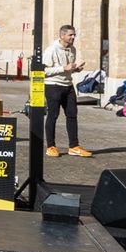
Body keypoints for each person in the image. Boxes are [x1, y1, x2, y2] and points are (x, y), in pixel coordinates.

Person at [41, 24, 89, 157]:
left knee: (72, 114)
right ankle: (51, 146)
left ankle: (74, 146)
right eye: (70, 35)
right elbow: (43, 71)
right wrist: (64, 68)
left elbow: (68, 69)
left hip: (68, 85)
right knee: (53, 115)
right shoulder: (51, 50)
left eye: (74, 35)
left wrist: (75, 69)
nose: (73, 37)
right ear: (62, 36)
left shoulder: (72, 49)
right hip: (53, 86)